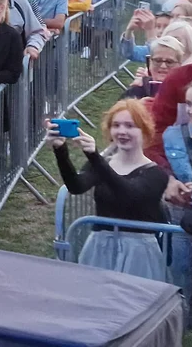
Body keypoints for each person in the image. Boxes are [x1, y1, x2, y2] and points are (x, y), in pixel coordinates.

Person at [47, 101, 168, 281]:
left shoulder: (156, 173)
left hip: (138, 253)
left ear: (144, 130)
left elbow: (130, 195)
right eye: (116, 125)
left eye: (130, 126)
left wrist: (96, 157)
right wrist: (60, 150)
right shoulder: (102, 165)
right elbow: (76, 186)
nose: (122, 131)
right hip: (99, 247)